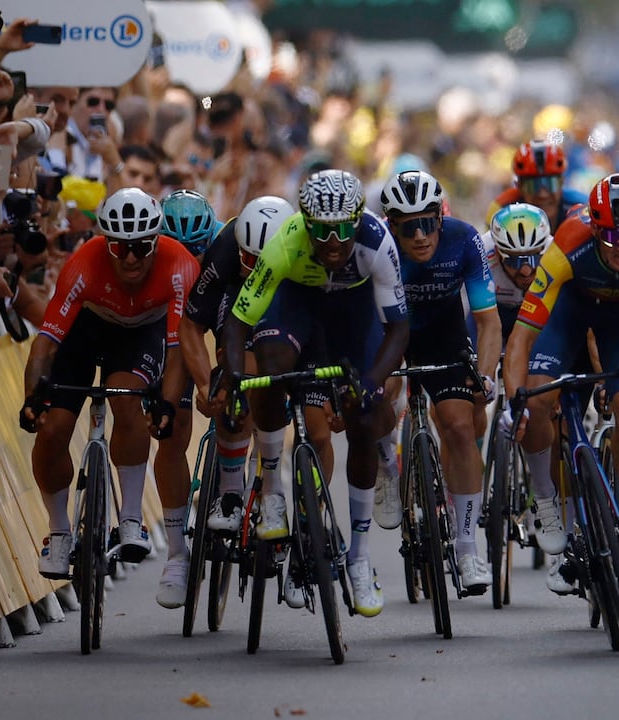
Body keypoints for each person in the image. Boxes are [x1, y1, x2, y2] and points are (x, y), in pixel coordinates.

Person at [220, 169, 409, 618]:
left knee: (365, 420)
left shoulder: (377, 241)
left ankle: (360, 558)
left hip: (352, 316)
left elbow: (399, 328)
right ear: (304, 222)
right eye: (321, 231)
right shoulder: (285, 242)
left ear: (358, 220)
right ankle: (272, 490)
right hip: (296, 307)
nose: (333, 242)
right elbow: (239, 321)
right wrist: (231, 373)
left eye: (343, 229)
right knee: (269, 373)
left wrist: (371, 382)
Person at [502, 172, 619, 604]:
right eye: (613, 234)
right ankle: (545, 498)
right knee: (538, 399)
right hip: (571, 313)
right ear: (595, 228)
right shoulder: (568, 242)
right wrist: (514, 403)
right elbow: (522, 338)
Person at [19, 188, 199, 610]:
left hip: (142, 335)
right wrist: (33, 398)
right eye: (119, 247)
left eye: (141, 247)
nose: (131, 258)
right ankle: (60, 531)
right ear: (106, 243)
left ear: (157, 241)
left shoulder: (180, 267)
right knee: (54, 427)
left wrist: (168, 405)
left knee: (126, 397)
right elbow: (44, 345)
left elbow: (178, 353)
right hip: (87, 329)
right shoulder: (83, 264)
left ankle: (131, 518)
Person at [378, 169, 500, 594]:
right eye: (409, 227)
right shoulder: (377, 244)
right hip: (387, 330)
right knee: (378, 401)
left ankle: (467, 549)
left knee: (461, 426)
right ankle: (386, 467)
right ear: (392, 226)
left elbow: (487, 320)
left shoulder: (463, 240)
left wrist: (484, 377)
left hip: (443, 335)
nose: (421, 236)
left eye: (428, 222)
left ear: (440, 218)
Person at [179, 196, 294, 539]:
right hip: (235, 305)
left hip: (285, 302)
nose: (254, 268)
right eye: (248, 259)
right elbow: (191, 324)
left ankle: (276, 491)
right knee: (238, 383)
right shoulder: (227, 247)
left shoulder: (301, 254)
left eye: (263, 263)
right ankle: (229, 493)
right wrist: (204, 385)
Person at [483, 202, 552, 342]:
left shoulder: (556, 252)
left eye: (534, 259)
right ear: (497, 252)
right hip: (493, 316)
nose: (526, 272)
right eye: (514, 261)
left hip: (541, 319)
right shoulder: (482, 253)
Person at [485, 139, 587, 231]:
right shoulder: (500, 211)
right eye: (533, 185)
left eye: (551, 184)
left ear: (562, 182)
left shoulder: (582, 207)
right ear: (519, 186)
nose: (543, 194)